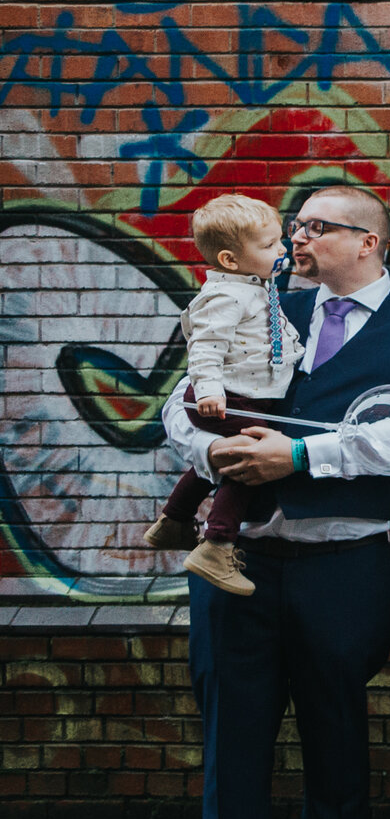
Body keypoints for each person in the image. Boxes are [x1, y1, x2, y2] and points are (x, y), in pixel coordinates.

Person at [162, 182, 390, 819]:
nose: (296, 238)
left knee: (338, 728)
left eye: (315, 227)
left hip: (347, 562)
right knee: (235, 738)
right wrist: (214, 454)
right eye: (294, 227)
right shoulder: (253, 303)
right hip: (238, 565)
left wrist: (296, 458)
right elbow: (179, 407)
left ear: (368, 241)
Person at [148, 193, 307, 598]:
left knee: (227, 458)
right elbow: (205, 347)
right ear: (230, 261)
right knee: (249, 460)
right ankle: (217, 544)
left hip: (246, 393)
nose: (283, 249)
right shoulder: (225, 295)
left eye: (278, 240)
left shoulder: (255, 288)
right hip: (231, 397)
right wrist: (210, 392)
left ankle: (174, 520)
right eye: (270, 245)